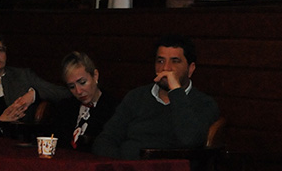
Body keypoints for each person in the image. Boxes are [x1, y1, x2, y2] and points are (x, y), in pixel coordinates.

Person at [92, 35, 220, 159]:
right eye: (160, 61)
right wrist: (122, 165)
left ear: (191, 69)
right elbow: (106, 139)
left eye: (175, 61)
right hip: (127, 170)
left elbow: (190, 140)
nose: (166, 68)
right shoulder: (136, 96)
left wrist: (176, 91)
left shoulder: (204, 103)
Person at [48, 51, 119, 152]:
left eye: (82, 82)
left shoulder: (113, 108)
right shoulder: (65, 108)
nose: (78, 91)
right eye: (72, 87)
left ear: (95, 76)